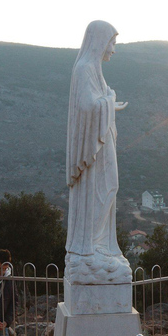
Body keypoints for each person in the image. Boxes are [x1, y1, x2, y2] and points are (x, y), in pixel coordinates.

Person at [64, 20, 131, 285]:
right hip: (94, 147)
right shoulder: (84, 69)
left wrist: (109, 104)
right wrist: (110, 101)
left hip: (102, 142)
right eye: (112, 42)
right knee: (105, 187)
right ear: (100, 41)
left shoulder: (94, 70)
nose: (113, 49)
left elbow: (95, 104)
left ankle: (99, 243)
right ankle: (90, 245)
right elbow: (87, 106)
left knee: (111, 187)